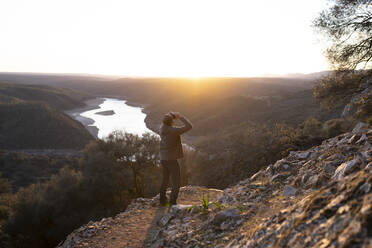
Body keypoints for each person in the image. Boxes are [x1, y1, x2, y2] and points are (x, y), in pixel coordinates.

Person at [159, 111, 193, 206]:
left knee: (165, 179)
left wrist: (171, 117)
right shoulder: (174, 131)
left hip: (163, 158)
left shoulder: (162, 128)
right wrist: (180, 117)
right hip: (171, 160)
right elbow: (189, 126)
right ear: (171, 122)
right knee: (176, 181)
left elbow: (166, 122)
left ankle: (162, 200)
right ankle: (172, 201)